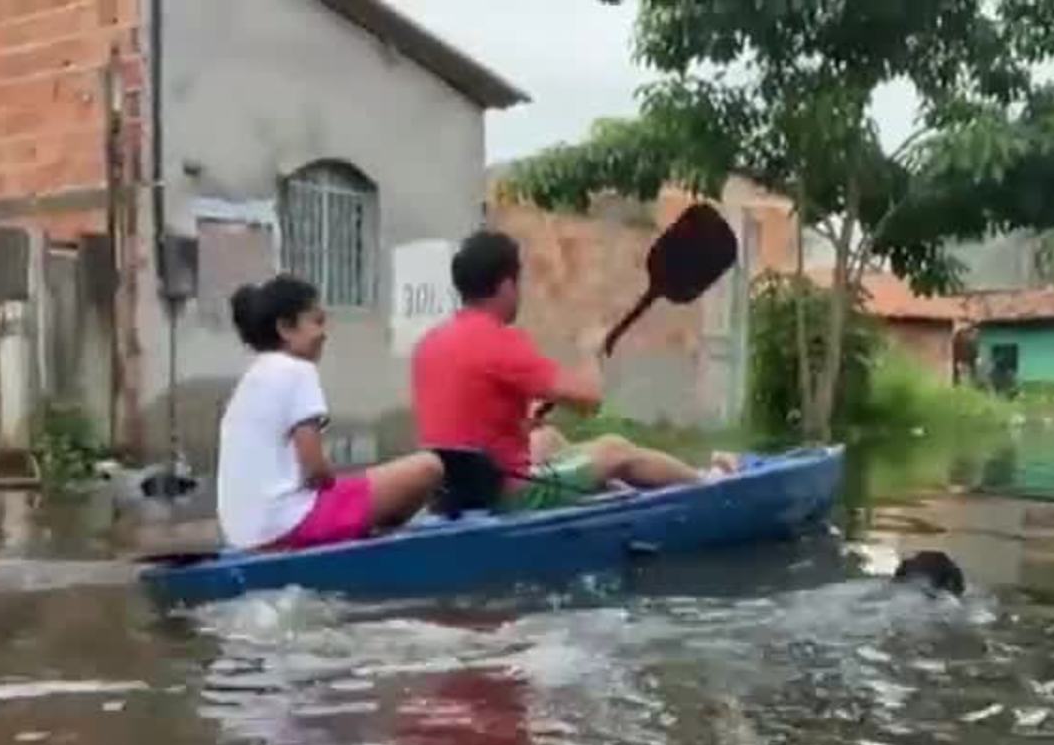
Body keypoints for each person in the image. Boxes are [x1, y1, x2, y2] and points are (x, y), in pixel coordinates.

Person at [411, 230, 734, 512]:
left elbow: (471, 422)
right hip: (506, 495)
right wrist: (591, 354)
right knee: (614, 448)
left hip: (451, 492)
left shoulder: (430, 342)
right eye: (519, 283)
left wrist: (522, 421)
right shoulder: (501, 341)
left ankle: (620, 494)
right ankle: (707, 483)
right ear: (507, 284)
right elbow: (590, 399)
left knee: (546, 438)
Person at [216, 275, 445, 551]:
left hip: (244, 536)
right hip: (289, 524)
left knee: (364, 485)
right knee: (428, 467)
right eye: (316, 321)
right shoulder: (298, 371)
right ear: (285, 328)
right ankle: (374, 550)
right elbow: (314, 468)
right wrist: (338, 481)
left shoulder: (250, 379)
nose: (324, 333)